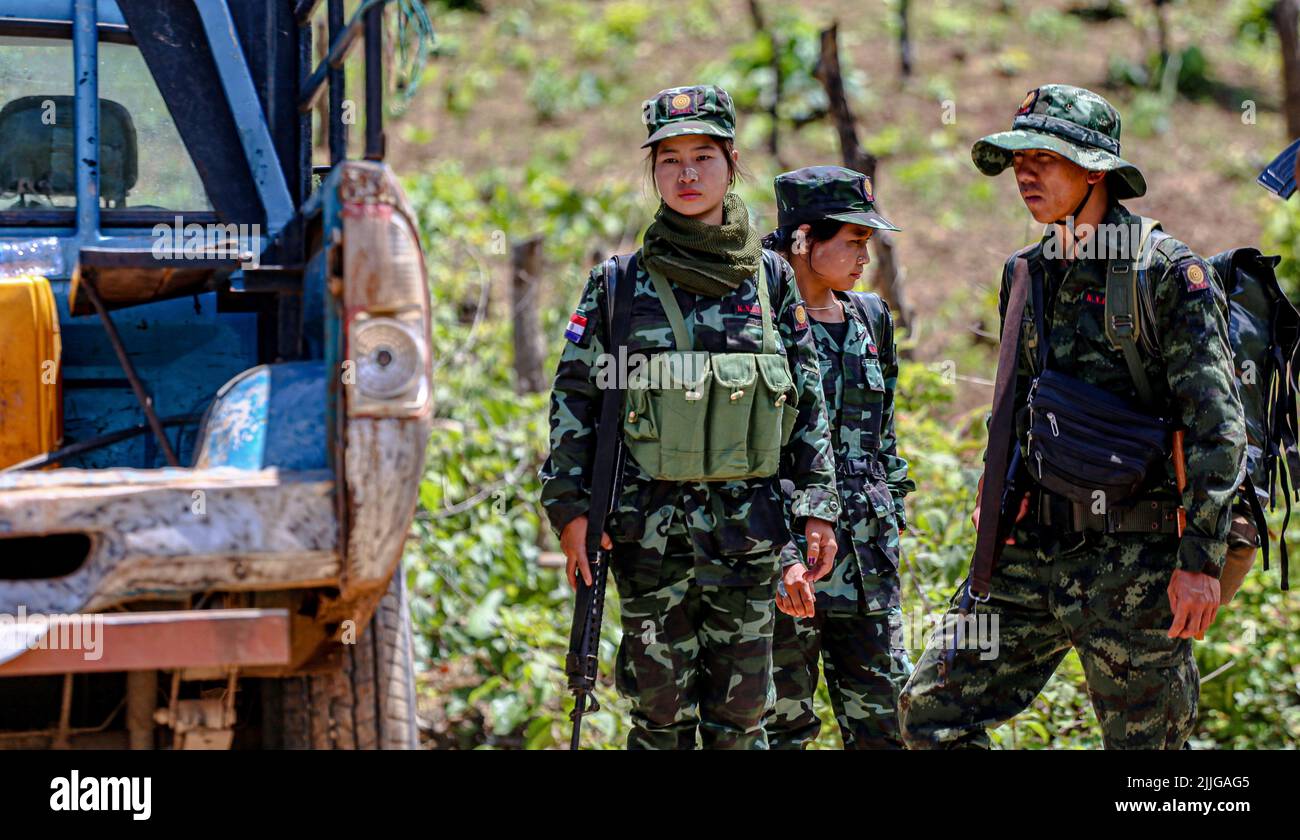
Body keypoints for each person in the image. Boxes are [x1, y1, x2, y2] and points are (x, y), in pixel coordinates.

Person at [898, 84, 1246, 749]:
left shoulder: (1168, 274)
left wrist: (1200, 559)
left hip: (1137, 564)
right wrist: (992, 510)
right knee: (929, 715)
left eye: (1045, 158)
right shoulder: (1026, 272)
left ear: (1094, 172)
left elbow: (1217, 426)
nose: (1025, 172)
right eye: (1019, 157)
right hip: (1032, 551)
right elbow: (1016, 409)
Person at [539, 85, 841, 749]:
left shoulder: (771, 280)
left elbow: (807, 399)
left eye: (703, 156)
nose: (686, 174)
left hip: (749, 535)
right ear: (652, 170)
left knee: (741, 722)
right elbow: (575, 398)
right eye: (669, 158)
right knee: (659, 720)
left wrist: (817, 507)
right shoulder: (620, 283)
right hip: (649, 538)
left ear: (732, 163)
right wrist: (570, 510)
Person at [759, 166, 915, 749]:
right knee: (781, 729)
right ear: (802, 240)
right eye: (851, 242)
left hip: (867, 564)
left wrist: (891, 510)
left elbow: (886, 437)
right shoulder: (757, 325)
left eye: (866, 243)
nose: (863, 257)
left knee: (888, 725)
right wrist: (779, 550)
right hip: (788, 557)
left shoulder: (871, 317)